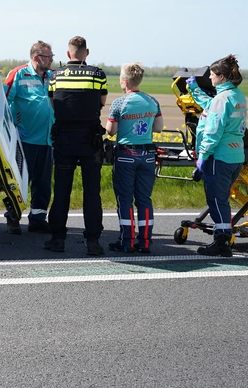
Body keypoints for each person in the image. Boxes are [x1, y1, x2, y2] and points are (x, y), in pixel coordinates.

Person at [44, 36, 108, 256]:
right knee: (92, 192)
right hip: (90, 140)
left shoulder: (55, 76)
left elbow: (53, 103)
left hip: (64, 140)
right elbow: (101, 102)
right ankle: (93, 242)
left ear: (68, 54)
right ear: (86, 53)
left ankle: (58, 239)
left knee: (62, 190)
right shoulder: (98, 74)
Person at [190, 55, 247, 257]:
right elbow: (212, 107)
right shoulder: (237, 95)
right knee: (221, 199)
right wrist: (195, 91)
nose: (211, 78)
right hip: (236, 156)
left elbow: (213, 131)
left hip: (219, 157)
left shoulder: (222, 99)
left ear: (222, 77)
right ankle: (222, 238)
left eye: (213, 75)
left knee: (216, 200)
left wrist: (202, 157)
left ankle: (222, 242)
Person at [105, 63, 163, 253]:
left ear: (124, 81)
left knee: (125, 200)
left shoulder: (119, 103)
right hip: (147, 156)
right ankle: (145, 241)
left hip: (126, 156)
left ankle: (126, 241)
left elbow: (110, 131)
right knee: (144, 199)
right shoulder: (152, 101)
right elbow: (158, 128)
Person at [3, 41, 55, 234]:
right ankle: (13, 217)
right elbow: (2, 103)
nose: (51, 60)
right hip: (24, 140)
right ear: (36, 57)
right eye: (48, 57)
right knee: (19, 181)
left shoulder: (53, 76)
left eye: (51, 56)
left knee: (43, 183)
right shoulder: (18, 74)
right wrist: (12, 129)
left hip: (47, 140)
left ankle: (38, 219)